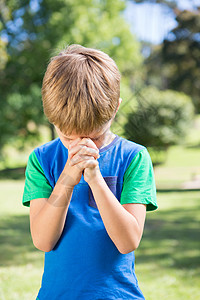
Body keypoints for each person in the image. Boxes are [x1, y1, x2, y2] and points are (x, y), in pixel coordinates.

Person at [22, 44, 158, 300]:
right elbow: (43, 240)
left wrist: (96, 180)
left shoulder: (134, 157)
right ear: (52, 118)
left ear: (115, 108)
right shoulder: (41, 159)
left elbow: (128, 241)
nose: (80, 144)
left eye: (94, 136)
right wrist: (66, 181)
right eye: (66, 136)